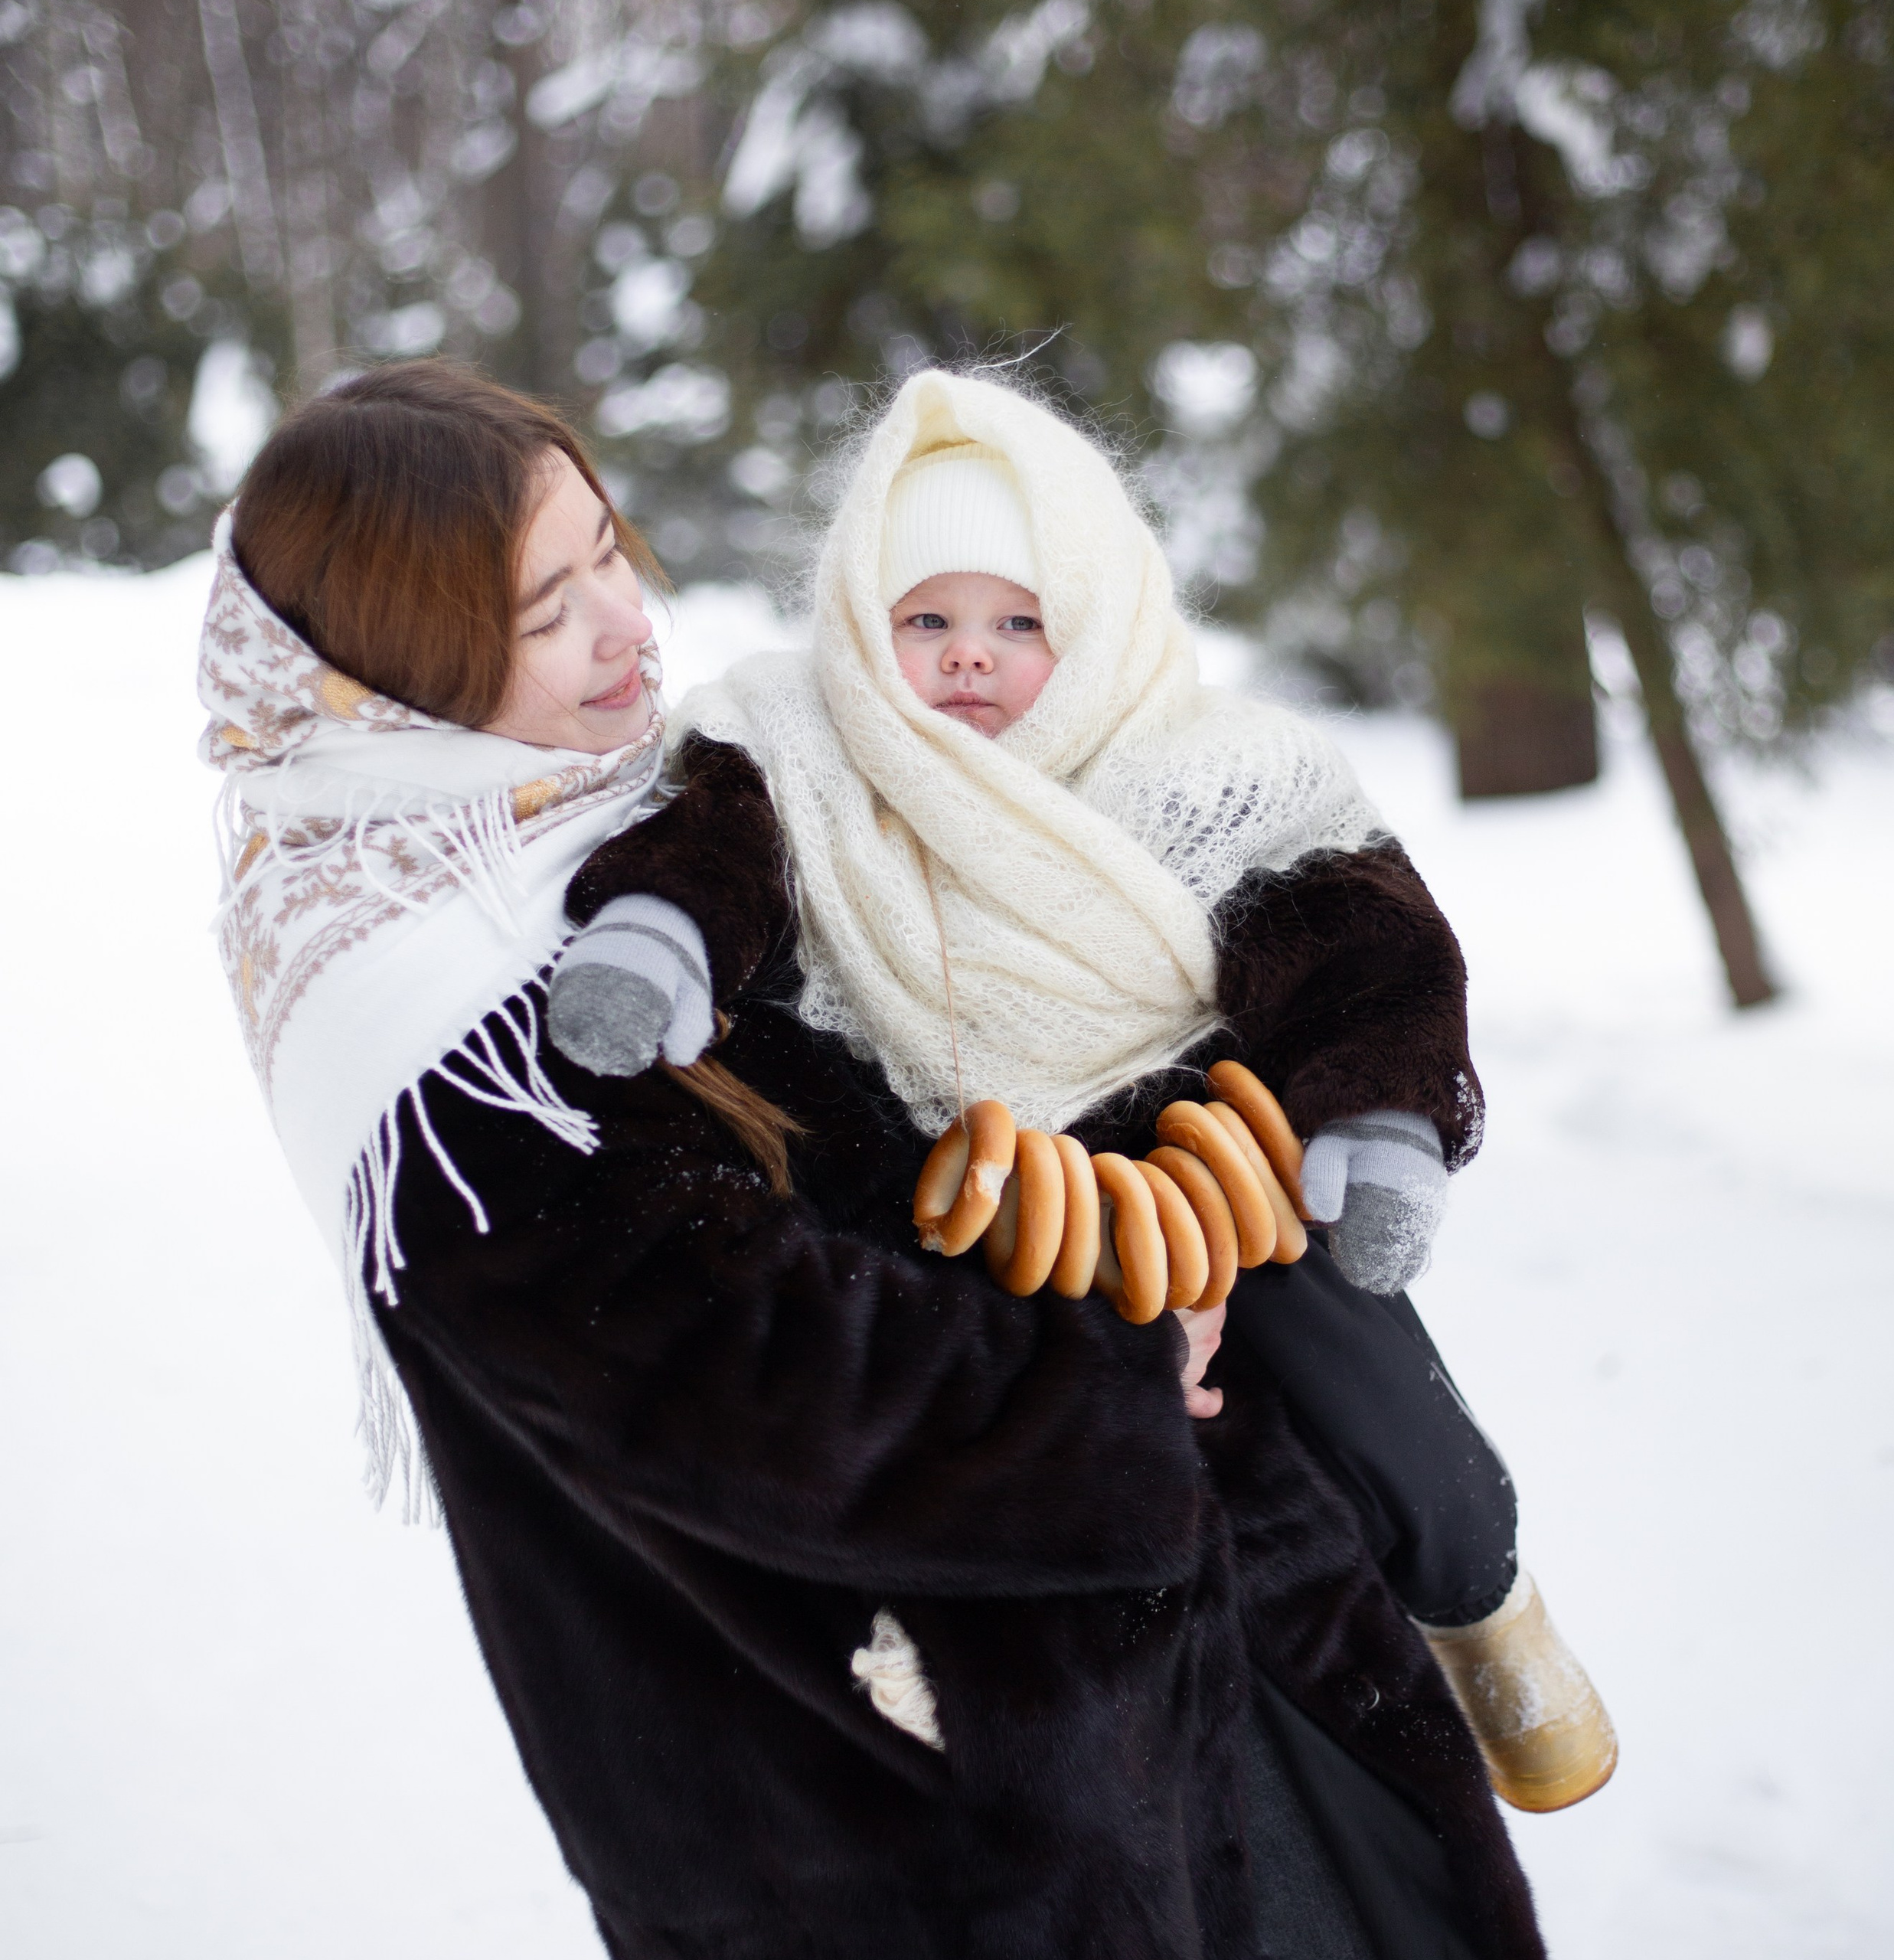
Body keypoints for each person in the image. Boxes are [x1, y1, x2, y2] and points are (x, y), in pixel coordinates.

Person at [203, 359, 1543, 1958]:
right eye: (546, 610)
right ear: (397, 674)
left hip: (1134, 1664)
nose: (629, 623)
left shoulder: (629, 805)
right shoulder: (442, 1031)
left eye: (606, 550)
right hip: (907, 1823)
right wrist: (1116, 1350)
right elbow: (750, 1381)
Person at [553, 368, 1615, 1817]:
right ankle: (921, 1629)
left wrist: (1381, 1114)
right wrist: (659, 939)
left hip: (1197, 1155)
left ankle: (1479, 1589)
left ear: (1098, 624)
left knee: (1359, 1370)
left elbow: (1366, 946)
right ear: (864, 627)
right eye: (925, 621)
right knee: (929, 1387)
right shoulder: (797, 753)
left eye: (1018, 624)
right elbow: (716, 862)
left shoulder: (1212, 770)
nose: (968, 661)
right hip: (950, 1169)